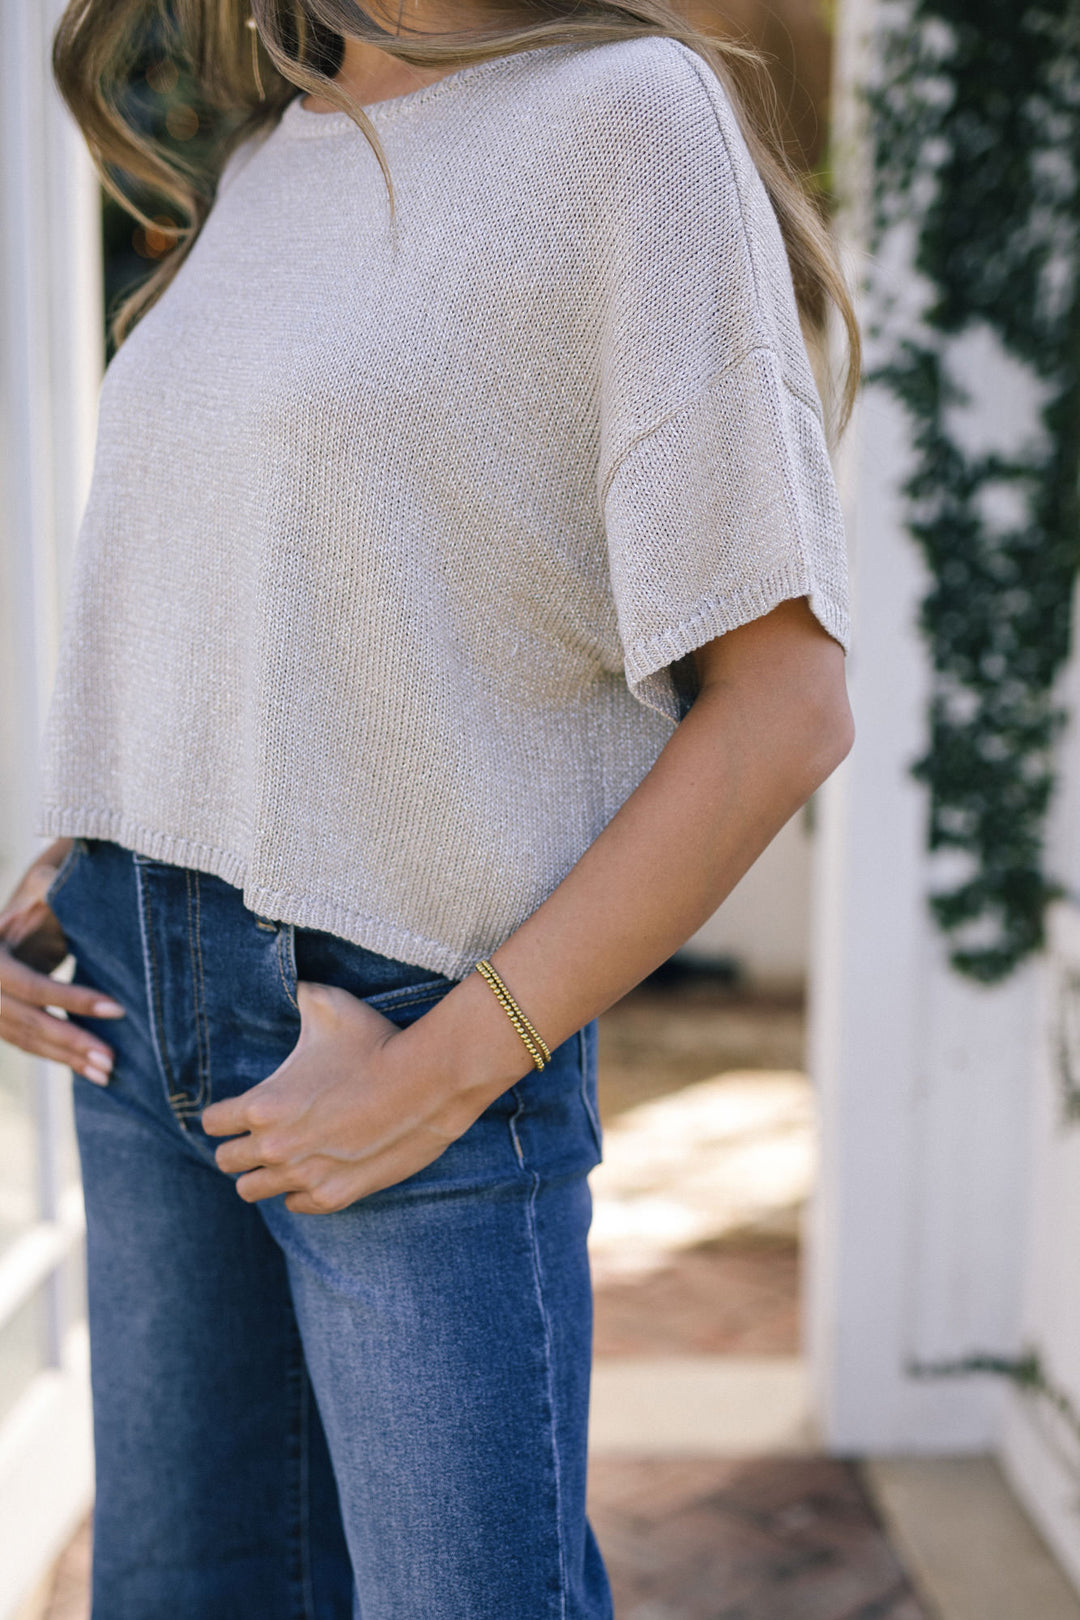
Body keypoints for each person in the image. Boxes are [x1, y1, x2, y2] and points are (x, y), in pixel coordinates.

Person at [0, 0, 857, 1614]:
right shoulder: (275, 149)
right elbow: (293, 590)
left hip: (407, 1018)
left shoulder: (626, 119)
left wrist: (446, 1070)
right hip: (136, 992)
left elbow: (785, 711)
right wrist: (95, 852)